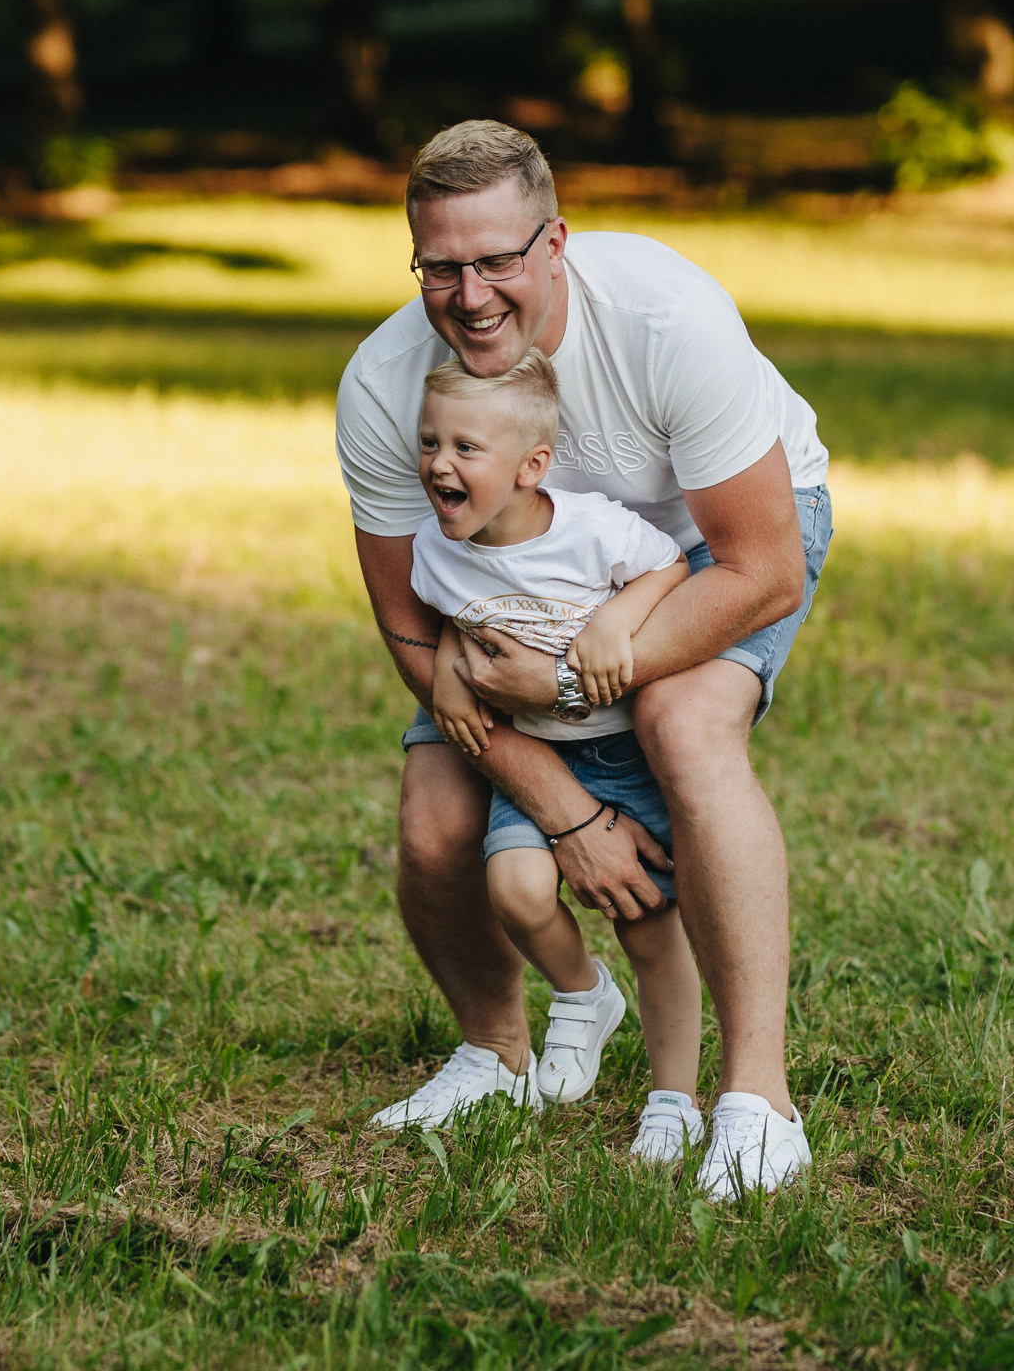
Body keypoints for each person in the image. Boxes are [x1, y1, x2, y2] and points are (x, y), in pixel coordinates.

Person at [336, 119, 833, 1198]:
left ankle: (758, 1100)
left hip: (709, 545)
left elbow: (764, 569)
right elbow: (410, 624)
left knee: (683, 727)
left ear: (556, 243)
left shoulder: (665, 317)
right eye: (441, 266)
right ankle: (498, 1051)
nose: (470, 295)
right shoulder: (386, 385)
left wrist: (566, 684)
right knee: (433, 827)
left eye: (499, 260)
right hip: (509, 591)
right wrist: (559, 800)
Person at [407, 347, 711, 1165]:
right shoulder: (435, 545)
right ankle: (582, 991)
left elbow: (671, 564)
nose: (439, 462)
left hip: (620, 754)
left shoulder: (589, 529)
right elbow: (450, 612)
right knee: (513, 886)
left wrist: (615, 625)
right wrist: (447, 674)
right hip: (538, 755)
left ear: (531, 466)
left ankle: (672, 1102)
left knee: (648, 927)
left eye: (466, 449)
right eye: (431, 441)